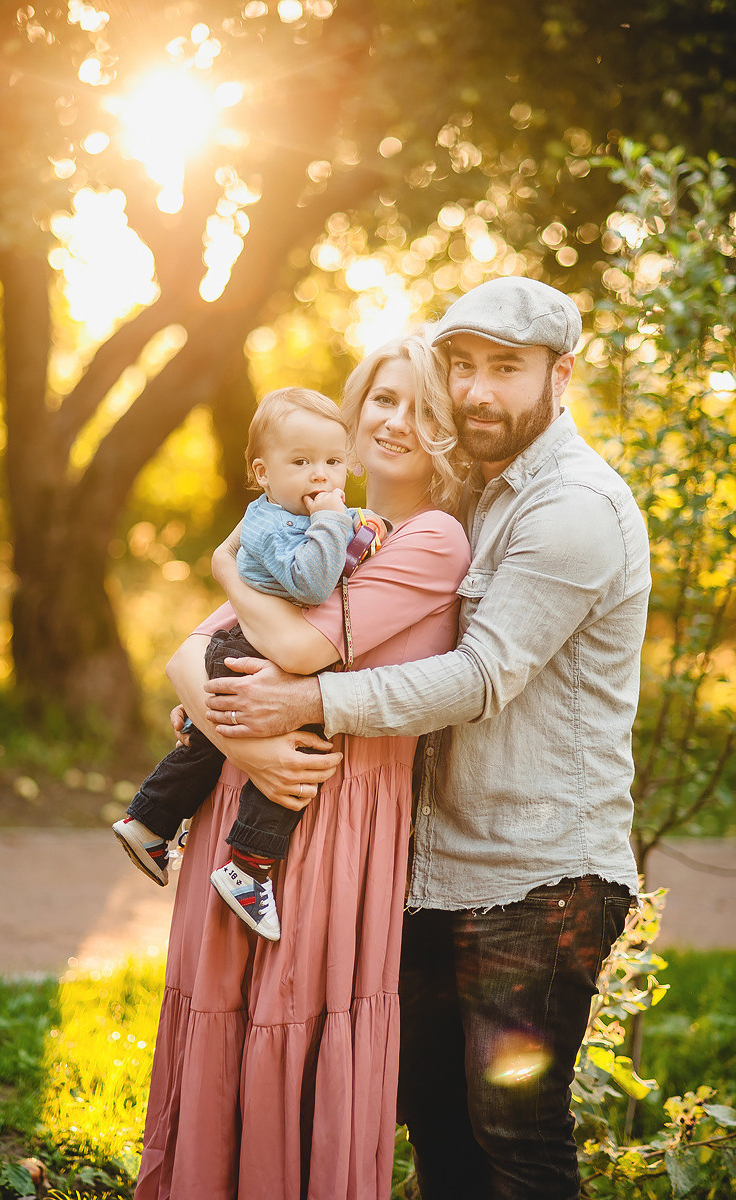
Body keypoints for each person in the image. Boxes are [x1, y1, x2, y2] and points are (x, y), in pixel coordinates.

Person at [204, 277, 652, 1200]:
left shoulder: (569, 508)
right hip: (440, 868)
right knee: (438, 1129)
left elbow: (480, 677)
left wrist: (309, 702)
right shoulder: (471, 499)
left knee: (514, 1137)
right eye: (463, 367)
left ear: (559, 375)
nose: (477, 391)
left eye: (506, 369)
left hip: (538, 875)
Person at [133, 331, 471, 1200]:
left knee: (295, 1014)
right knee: (224, 1010)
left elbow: (288, 645)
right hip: (252, 791)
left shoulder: (430, 540)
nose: (396, 420)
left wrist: (225, 573)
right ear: (352, 417)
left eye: (421, 406)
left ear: (446, 430)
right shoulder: (303, 522)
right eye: (383, 400)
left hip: (337, 813)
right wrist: (245, 744)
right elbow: (182, 659)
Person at [112, 386, 386, 942]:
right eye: (302, 462)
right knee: (302, 741)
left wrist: (361, 525)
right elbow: (312, 579)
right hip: (251, 650)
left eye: (334, 462)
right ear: (263, 472)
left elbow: (338, 557)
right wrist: (339, 522)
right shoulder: (264, 524)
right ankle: (249, 865)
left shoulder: (302, 514)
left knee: (211, 743)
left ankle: (149, 821)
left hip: (252, 645)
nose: (321, 477)